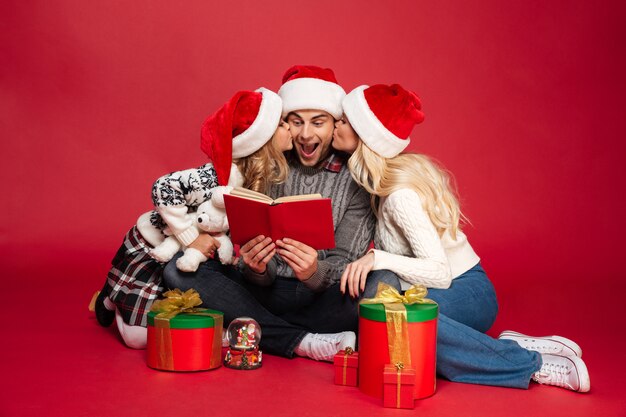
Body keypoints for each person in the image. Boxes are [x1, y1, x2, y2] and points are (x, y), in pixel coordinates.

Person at [333, 83, 591, 392]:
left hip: (467, 289)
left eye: (344, 120)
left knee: (405, 330)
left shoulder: (399, 195)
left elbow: (440, 274)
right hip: (439, 294)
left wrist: (377, 258)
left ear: (366, 136)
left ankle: (530, 363)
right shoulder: (380, 183)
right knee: (390, 335)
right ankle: (498, 343)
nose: (336, 124)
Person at [164, 66, 399, 362]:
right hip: (263, 294)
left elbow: (345, 261)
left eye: (318, 122)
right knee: (177, 269)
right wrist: (257, 268)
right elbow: (247, 249)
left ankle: (257, 329)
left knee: (385, 281)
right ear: (283, 123)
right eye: (296, 121)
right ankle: (303, 341)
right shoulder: (268, 163)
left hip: (322, 300)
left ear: (335, 124)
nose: (306, 134)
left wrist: (314, 272)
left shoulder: (355, 177)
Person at [94, 87, 293, 349]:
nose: (290, 127)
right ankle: (112, 296)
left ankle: (125, 296)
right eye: (281, 123)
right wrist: (191, 238)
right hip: (153, 247)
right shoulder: (215, 176)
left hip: (187, 260)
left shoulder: (256, 180)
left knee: (176, 313)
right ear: (261, 139)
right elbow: (163, 187)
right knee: (138, 340)